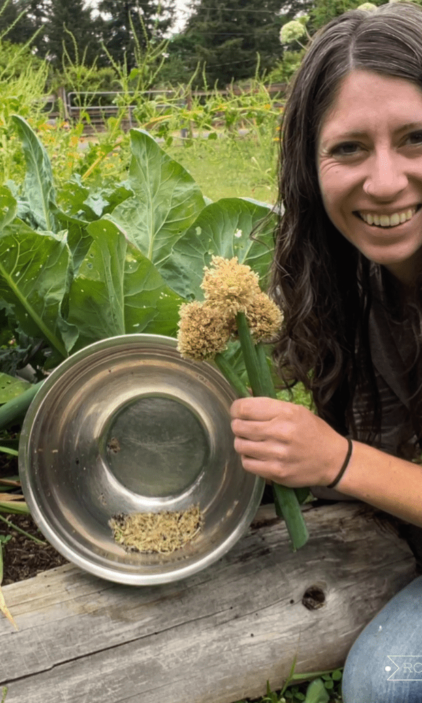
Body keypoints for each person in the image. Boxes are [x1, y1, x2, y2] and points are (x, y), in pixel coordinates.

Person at [229, 3, 422, 702]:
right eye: (347, 148)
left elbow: (339, 457)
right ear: (309, 167)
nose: (383, 181)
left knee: (385, 681)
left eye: (414, 138)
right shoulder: (347, 279)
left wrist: (337, 460)